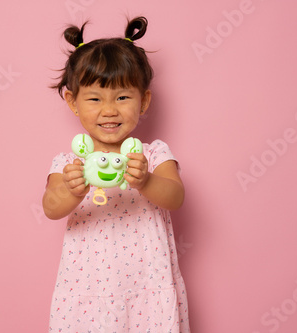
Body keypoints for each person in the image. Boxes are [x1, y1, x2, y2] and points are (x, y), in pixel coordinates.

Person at [43, 16, 191, 332]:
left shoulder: (153, 154)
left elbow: (176, 197)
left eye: (122, 97)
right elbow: (51, 208)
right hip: (87, 292)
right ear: (73, 102)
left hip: (146, 289)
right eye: (95, 99)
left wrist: (147, 180)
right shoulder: (68, 162)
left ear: (144, 100)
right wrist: (73, 189)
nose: (109, 110)